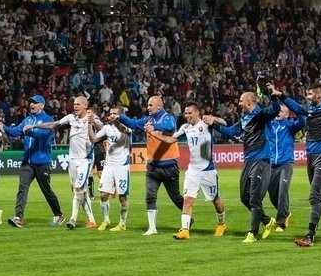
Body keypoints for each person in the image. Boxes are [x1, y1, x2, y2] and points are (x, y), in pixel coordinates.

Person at [268, 82, 321, 247]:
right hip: (311, 155)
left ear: (319, 95)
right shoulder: (310, 110)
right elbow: (296, 107)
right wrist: (279, 94)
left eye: (310, 94)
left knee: (314, 195)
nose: (308, 97)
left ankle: (310, 236)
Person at [205, 92, 280, 243]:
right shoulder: (244, 118)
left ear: (249, 102)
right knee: (244, 197)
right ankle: (267, 221)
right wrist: (213, 122)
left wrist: (273, 96)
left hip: (261, 160)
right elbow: (231, 131)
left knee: (255, 198)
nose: (238, 103)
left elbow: (275, 109)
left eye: (241, 100)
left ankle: (252, 233)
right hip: (248, 161)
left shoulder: (260, 114)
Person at [146, 101, 226, 240]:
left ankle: (222, 224)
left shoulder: (206, 124)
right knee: (188, 200)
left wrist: (214, 119)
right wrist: (154, 134)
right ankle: (185, 230)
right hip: (193, 170)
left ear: (197, 113)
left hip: (208, 170)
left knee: (215, 199)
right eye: (186, 113)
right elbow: (171, 140)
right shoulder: (185, 128)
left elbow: (224, 123)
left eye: (190, 113)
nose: (187, 115)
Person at [118, 95, 185, 235]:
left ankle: (187, 216)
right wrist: (120, 116)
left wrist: (154, 127)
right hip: (153, 166)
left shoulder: (168, 117)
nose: (147, 107)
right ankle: (152, 228)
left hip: (169, 166)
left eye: (150, 105)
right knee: (150, 196)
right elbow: (133, 123)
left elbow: (170, 127)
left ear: (159, 106)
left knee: (176, 197)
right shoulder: (147, 120)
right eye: (147, 105)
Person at [32, 95, 100, 230]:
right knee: (81, 191)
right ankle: (91, 220)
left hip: (85, 160)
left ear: (85, 106)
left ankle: (72, 219)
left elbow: (101, 127)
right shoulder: (70, 118)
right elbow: (53, 124)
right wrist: (35, 125)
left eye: (78, 104)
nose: (75, 106)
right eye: (74, 104)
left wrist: (94, 123)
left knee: (78, 189)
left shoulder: (91, 117)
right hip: (72, 160)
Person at [0, 95, 65, 227]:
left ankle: (59, 215)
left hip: (42, 162)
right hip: (27, 162)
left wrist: (29, 131)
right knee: (22, 188)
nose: (31, 105)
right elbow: (16, 132)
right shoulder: (27, 119)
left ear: (41, 105)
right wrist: (3, 127)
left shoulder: (48, 120)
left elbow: (43, 135)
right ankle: (19, 217)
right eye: (30, 102)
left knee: (46, 191)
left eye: (34, 103)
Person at [88, 104, 132, 231]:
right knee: (103, 195)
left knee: (122, 197)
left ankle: (122, 224)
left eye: (114, 113)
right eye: (110, 113)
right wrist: (89, 125)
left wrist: (118, 121)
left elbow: (123, 130)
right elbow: (94, 138)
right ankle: (106, 220)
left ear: (120, 115)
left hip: (122, 166)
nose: (111, 115)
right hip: (109, 165)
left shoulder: (127, 127)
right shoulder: (107, 128)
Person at [266, 103, 306, 232]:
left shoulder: (290, 125)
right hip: (271, 164)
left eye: (282, 111)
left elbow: (302, 121)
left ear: (287, 114)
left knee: (283, 190)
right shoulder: (269, 125)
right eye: (277, 111)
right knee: (272, 195)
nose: (278, 113)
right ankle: (286, 213)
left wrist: (296, 108)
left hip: (286, 163)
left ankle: (281, 223)